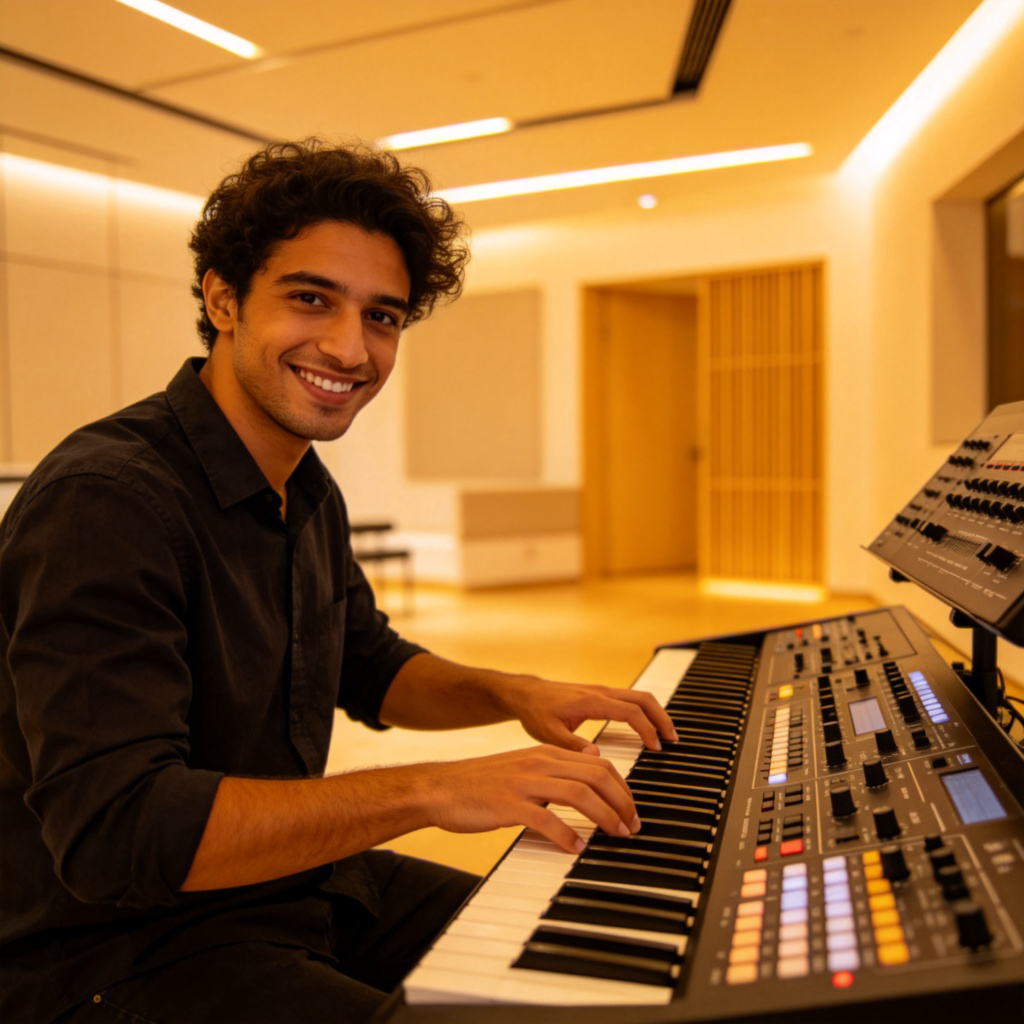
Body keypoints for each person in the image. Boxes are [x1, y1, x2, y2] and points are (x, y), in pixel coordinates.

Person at [0, 139, 677, 1024]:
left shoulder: (303, 487)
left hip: (289, 884)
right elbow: (121, 834)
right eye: (311, 298)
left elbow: (365, 661)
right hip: (111, 948)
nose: (350, 347)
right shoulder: (106, 502)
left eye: (383, 316)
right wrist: (433, 787)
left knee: (601, 953)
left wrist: (516, 692)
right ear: (222, 297)